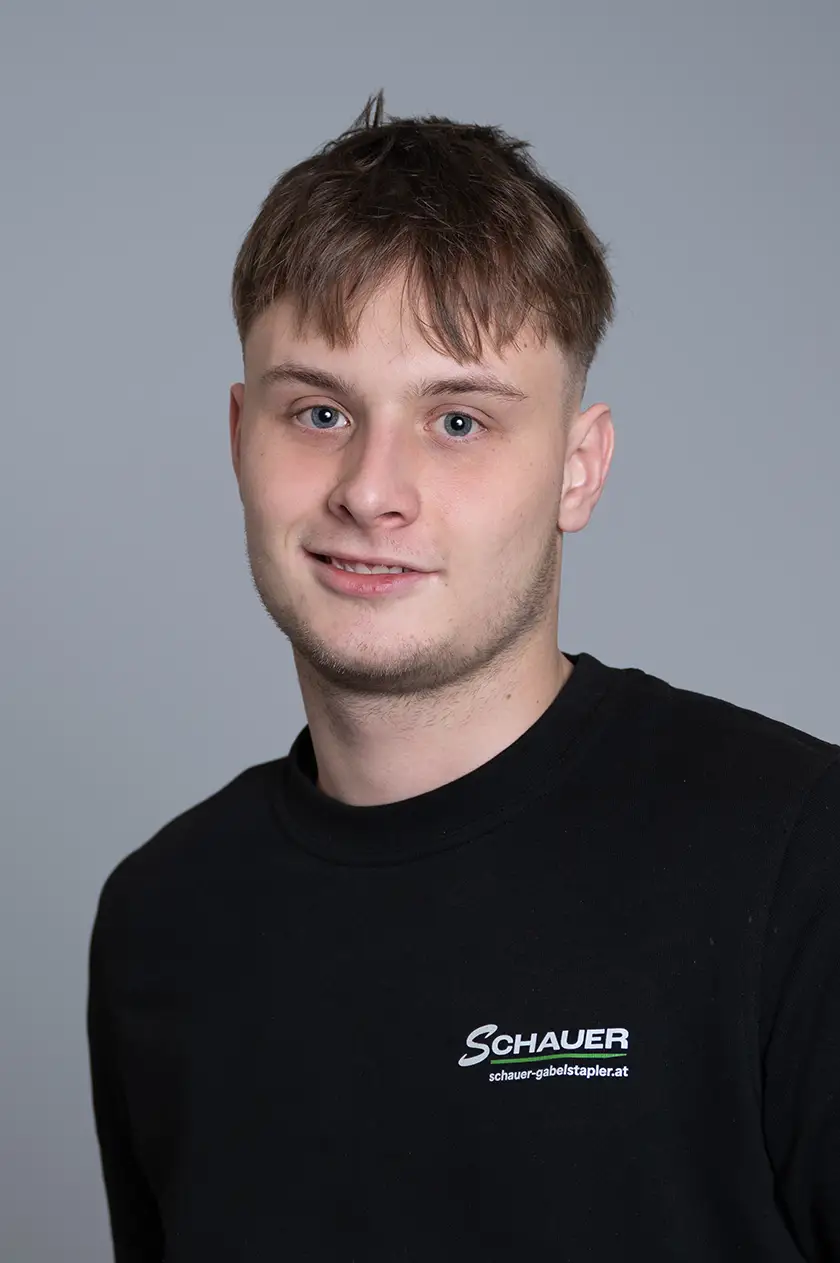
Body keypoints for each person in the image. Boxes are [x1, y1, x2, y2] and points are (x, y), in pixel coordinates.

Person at [87, 91, 840, 1262]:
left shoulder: (801, 855)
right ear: (241, 438)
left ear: (579, 470)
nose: (370, 490)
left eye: (458, 422)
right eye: (319, 410)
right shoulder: (160, 920)